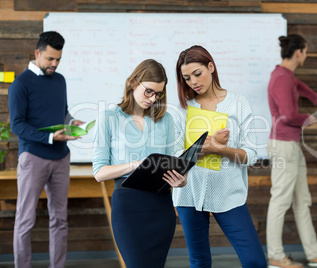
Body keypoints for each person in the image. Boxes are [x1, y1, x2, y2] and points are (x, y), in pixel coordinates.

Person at [171, 45, 267, 268]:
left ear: (211, 67)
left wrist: (220, 149)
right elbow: (176, 156)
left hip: (229, 194)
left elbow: (250, 155)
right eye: (186, 78)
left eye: (198, 73)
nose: (193, 82)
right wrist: (209, 145)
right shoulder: (182, 109)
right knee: (199, 262)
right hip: (189, 195)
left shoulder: (238, 104)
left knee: (255, 261)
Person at [92, 59, 187, 268]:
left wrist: (180, 180)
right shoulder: (108, 118)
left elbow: (170, 163)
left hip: (160, 207)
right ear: (134, 83)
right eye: (149, 92)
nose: (153, 99)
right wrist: (135, 165)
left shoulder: (166, 120)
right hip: (128, 207)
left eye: (158, 94)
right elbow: (99, 172)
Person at [266, 34, 317, 268]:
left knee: (303, 201)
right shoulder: (280, 78)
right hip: (284, 146)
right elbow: (289, 116)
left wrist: (316, 98)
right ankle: (276, 256)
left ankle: (314, 253)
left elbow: (299, 86)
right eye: (306, 51)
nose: (307, 55)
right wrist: (313, 118)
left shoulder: (286, 75)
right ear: (298, 52)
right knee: (280, 201)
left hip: (291, 146)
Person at [8, 31, 84, 268]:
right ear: (37, 53)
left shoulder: (60, 80)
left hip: (61, 158)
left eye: (58, 59)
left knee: (60, 220)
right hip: (33, 158)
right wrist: (51, 136)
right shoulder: (20, 84)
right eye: (50, 59)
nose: (54, 64)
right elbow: (17, 125)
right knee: (25, 220)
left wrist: (72, 123)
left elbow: (63, 112)